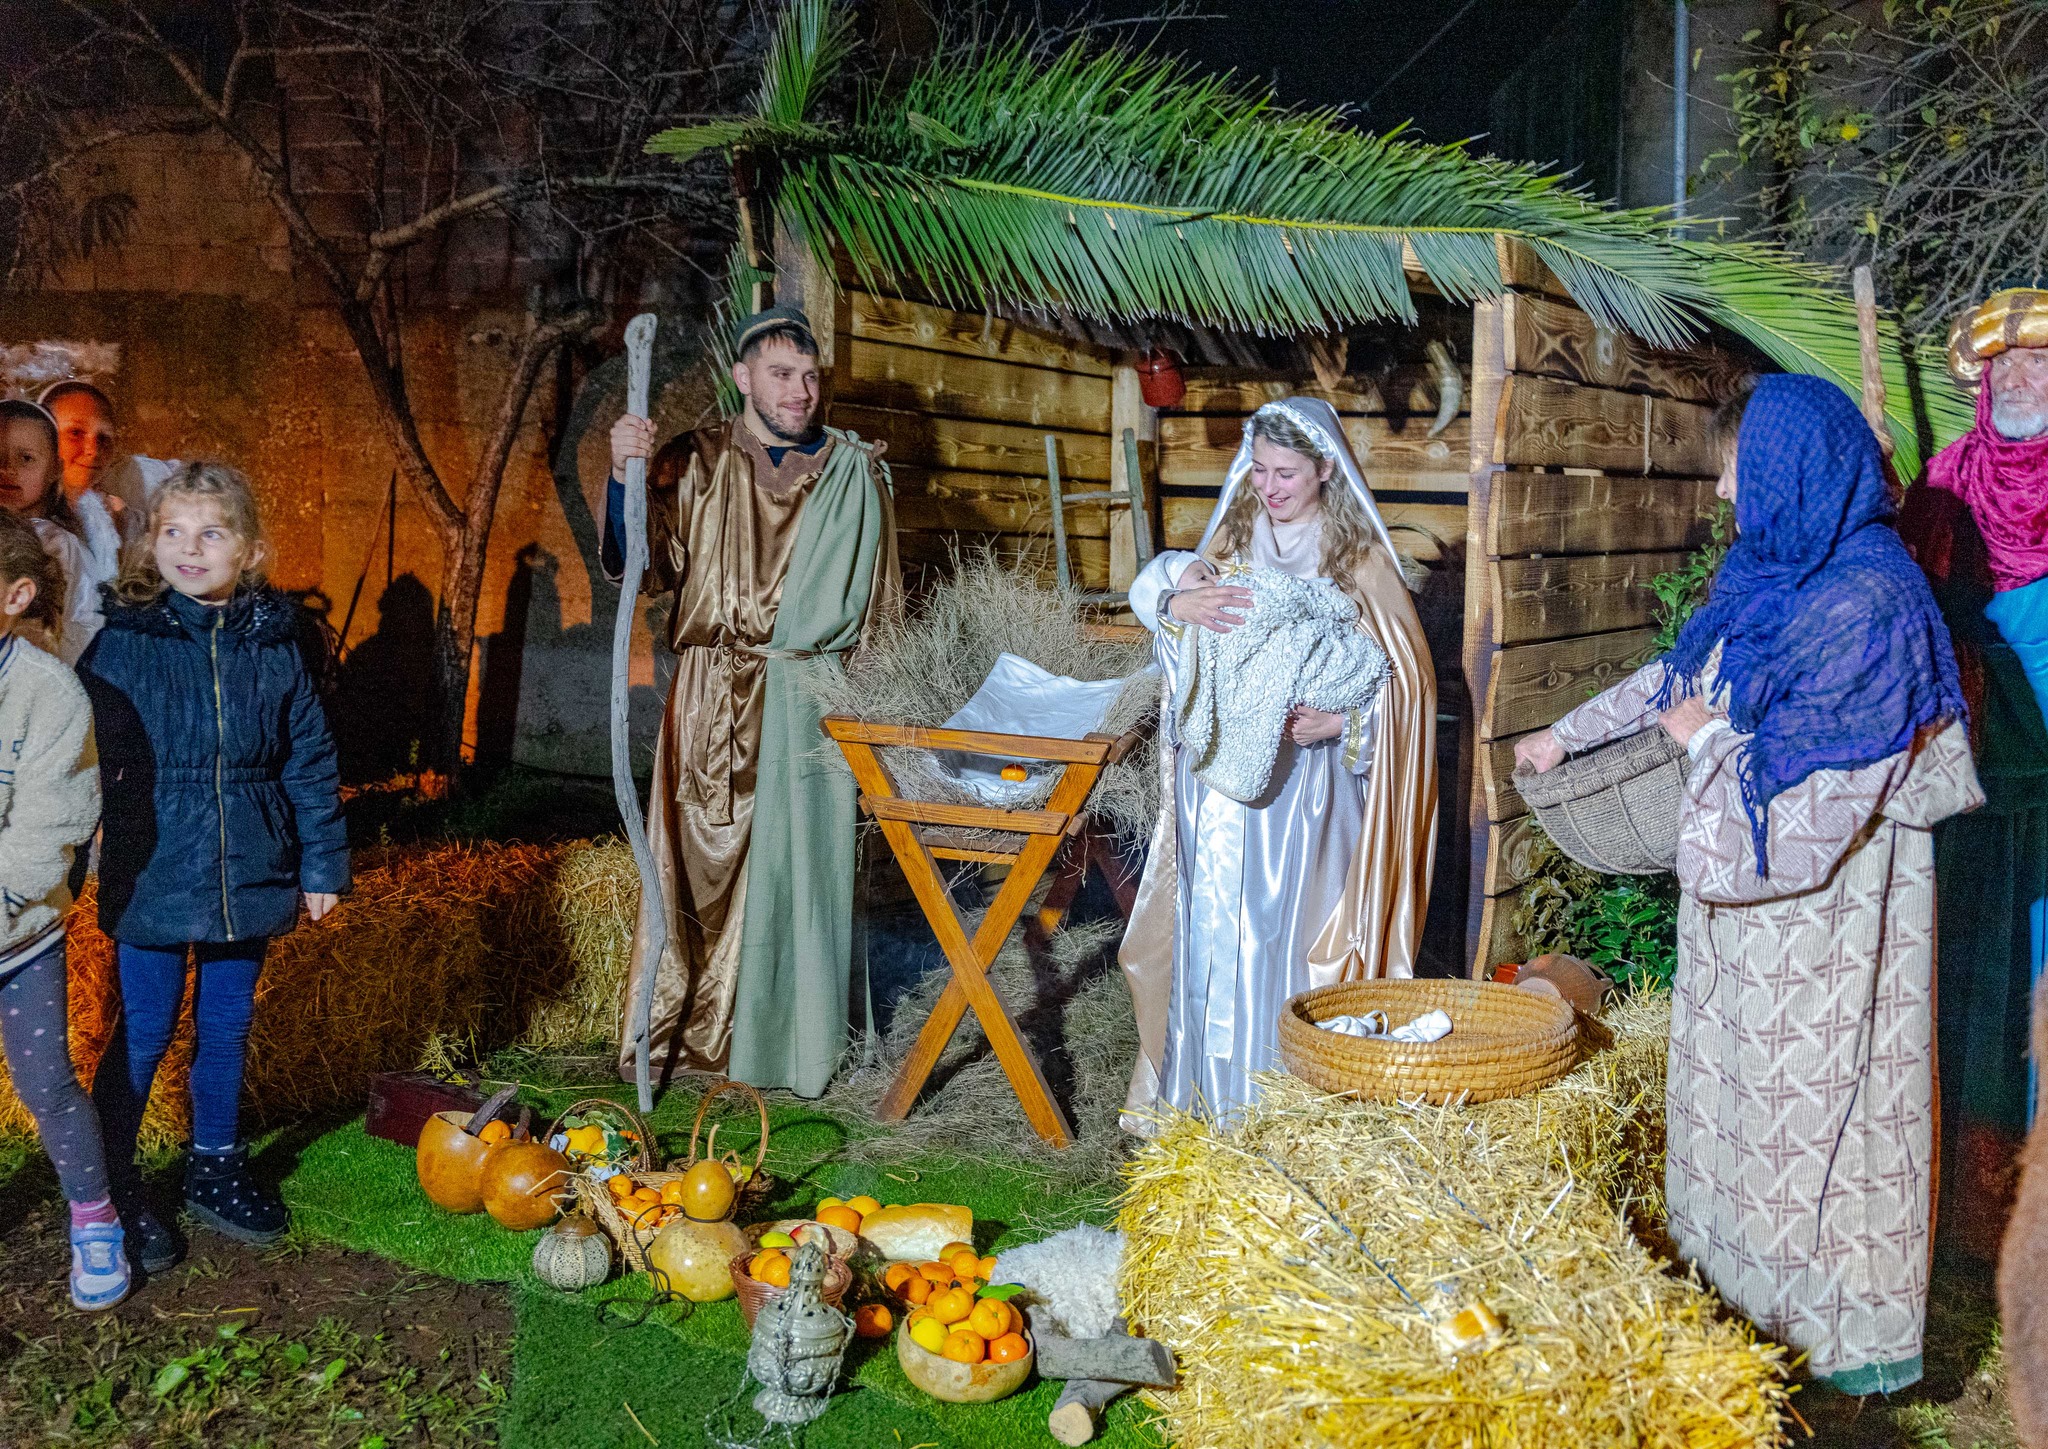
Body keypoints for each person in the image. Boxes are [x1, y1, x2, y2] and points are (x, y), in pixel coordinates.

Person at [1517, 373, 1981, 1394]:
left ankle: (1834, 1345)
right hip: (1746, 922)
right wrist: (1566, 734)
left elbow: (1815, 811)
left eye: (1734, 470)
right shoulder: (1771, 571)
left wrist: (1710, 745)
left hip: (1826, 927)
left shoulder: (1872, 605)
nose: (1723, 492)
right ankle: (1738, 1306)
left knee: (1815, 1129)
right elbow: (1683, 677)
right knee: (1740, 1122)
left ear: (1790, 471)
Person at [603, 305, 899, 1099]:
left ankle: (783, 1039)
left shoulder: (852, 473)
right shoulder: (692, 461)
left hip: (807, 700)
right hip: (709, 694)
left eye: (809, 376)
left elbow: (881, 608)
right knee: (693, 867)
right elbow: (641, 565)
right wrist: (622, 475)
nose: (800, 390)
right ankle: (681, 1031)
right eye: (781, 374)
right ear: (743, 378)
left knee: (798, 880)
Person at [1117, 397, 1438, 1123]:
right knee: (1214, 935)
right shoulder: (1231, 539)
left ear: (1325, 469)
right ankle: (1203, 1107)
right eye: (1258, 469)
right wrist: (1174, 607)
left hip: (1305, 798)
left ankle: (1282, 1112)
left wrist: (1346, 720)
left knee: (1281, 940)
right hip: (1216, 788)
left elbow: (1409, 690)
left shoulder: (1358, 562)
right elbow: (1175, 619)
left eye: (1285, 473)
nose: (1269, 487)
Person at [78, 462, 348, 1271]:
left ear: (250, 549)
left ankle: (216, 1164)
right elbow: (79, 753)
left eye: (211, 532)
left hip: (250, 862)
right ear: (151, 543)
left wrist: (322, 862)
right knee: (147, 1028)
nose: (189, 548)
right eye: (173, 531)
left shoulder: (276, 644)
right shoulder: (126, 641)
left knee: (227, 1025)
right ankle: (111, 1180)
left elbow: (308, 756)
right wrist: (70, 851)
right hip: (155, 864)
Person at [1897, 285, 2048, 1254]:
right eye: (2006, 363)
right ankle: (1956, 1203)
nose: (2022, 377)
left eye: (2040, 362)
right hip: (1964, 781)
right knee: (1961, 965)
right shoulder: (1946, 482)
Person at [0, 512, 130, 1309]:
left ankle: (95, 1216)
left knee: (47, 1083)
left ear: (15, 595)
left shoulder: (48, 694)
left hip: (18, 936)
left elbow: (52, 828)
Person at [0, 399, 103, 663]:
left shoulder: (56, 544)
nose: (7, 469)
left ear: (55, 469)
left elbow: (80, 627)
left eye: (26, 459)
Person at [39, 379, 176, 571]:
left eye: (103, 438)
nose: (93, 450)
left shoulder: (122, 516)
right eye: (75, 433)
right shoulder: (22, 518)